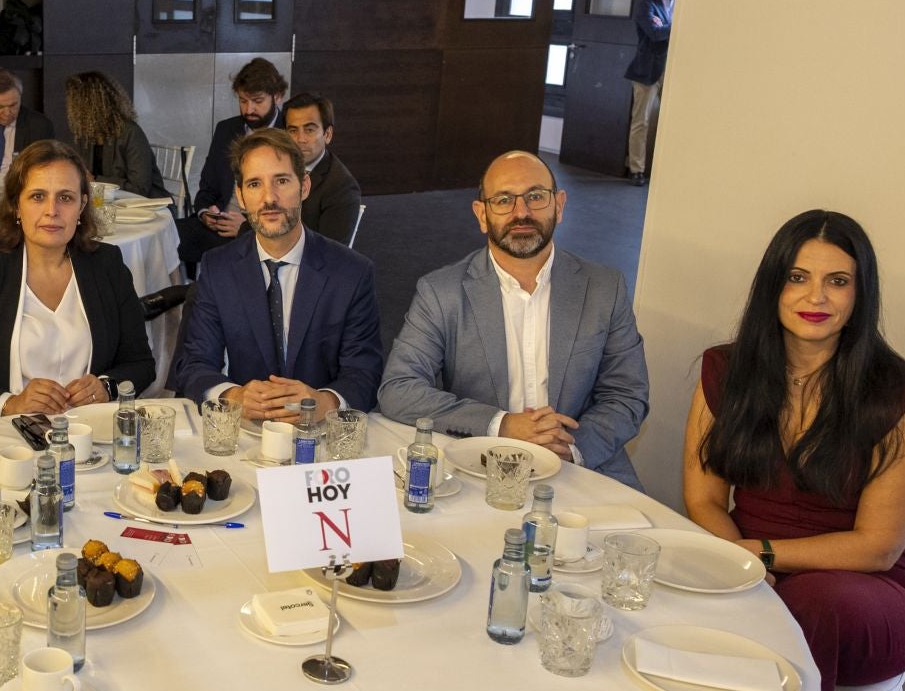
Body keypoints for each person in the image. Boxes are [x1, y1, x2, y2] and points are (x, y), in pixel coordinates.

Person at [682, 209, 905, 691]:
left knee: (811, 607)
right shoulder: (726, 370)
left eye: (837, 281)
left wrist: (759, 557)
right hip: (752, 566)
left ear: (860, 295)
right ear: (772, 286)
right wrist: (740, 564)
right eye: (797, 277)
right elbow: (703, 498)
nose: (816, 297)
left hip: (863, 590)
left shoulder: (895, 394)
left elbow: (878, 547)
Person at [377, 150, 650, 486]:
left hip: (581, 466)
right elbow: (399, 389)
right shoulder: (441, 291)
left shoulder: (604, 288)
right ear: (482, 214)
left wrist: (569, 447)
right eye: (504, 200)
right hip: (478, 467)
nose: (522, 212)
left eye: (535, 196)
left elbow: (627, 394)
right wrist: (502, 425)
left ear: (559, 205)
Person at [0, 140, 155, 435]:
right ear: (16, 205)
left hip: (87, 436)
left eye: (65, 197)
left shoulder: (107, 267)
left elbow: (141, 364)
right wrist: (10, 403)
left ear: (82, 205)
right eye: (38, 196)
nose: (52, 211)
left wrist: (107, 387)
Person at [171, 128, 383, 418]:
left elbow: (365, 371)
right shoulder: (218, 267)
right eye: (255, 184)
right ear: (241, 196)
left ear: (304, 186)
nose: (269, 198)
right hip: (245, 434)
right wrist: (234, 395)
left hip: (318, 437)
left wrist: (325, 402)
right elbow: (194, 364)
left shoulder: (352, 272)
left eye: (281, 181)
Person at [177, 58, 286, 275]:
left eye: (257, 101)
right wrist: (206, 213)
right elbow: (207, 187)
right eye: (243, 101)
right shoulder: (227, 130)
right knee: (166, 236)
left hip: (259, 233)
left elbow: (291, 207)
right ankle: (174, 303)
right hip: (219, 225)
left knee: (226, 261)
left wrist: (247, 226)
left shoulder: (289, 135)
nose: (249, 109)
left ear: (278, 97)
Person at [64, 71, 168, 200]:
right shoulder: (85, 137)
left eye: (74, 102)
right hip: (106, 204)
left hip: (146, 206)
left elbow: (140, 188)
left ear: (90, 106)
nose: (71, 109)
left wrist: (96, 180)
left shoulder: (131, 133)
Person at [281, 92, 363, 248]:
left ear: (327, 134)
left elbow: (330, 253)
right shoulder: (278, 166)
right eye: (293, 130)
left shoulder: (341, 187)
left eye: (309, 130)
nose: (300, 139)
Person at [623, 0, 677, 187]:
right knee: (641, 122)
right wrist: (677, 26)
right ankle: (637, 169)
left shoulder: (680, 5)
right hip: (646, 70)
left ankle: (669, 169)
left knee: (673, 121)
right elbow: (655, 33)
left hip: (672, 69)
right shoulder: (647, 4)